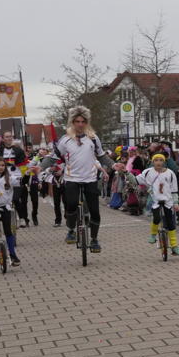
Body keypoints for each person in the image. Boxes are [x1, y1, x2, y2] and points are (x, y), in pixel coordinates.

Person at [53, 106, 105, 253]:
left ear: (86, 122)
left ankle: (94, 240)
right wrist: (42, 167)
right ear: (72, 122)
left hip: (90, 178)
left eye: (83, 121)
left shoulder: (93, 138)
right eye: (77, 121)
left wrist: (114, 165)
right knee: (71, 204)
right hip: (72, 178)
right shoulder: (65, 140)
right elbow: (54, 156)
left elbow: (101, 156)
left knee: (95, 211)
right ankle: (71, 229)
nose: (80, 124)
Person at [138, 153, 179, 255]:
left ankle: (174, 246)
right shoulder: (148, 172)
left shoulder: (170, 173)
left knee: (171, 222)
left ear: (164, 162)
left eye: (161, 160)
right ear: (153, 162)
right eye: (156, 160)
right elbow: (136, 179)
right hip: (155, 200)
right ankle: (153, 235)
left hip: (168, 200)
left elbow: (174, 190)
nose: (158, 162)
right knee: (157, 218)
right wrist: (126, 172)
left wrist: (176, 202)